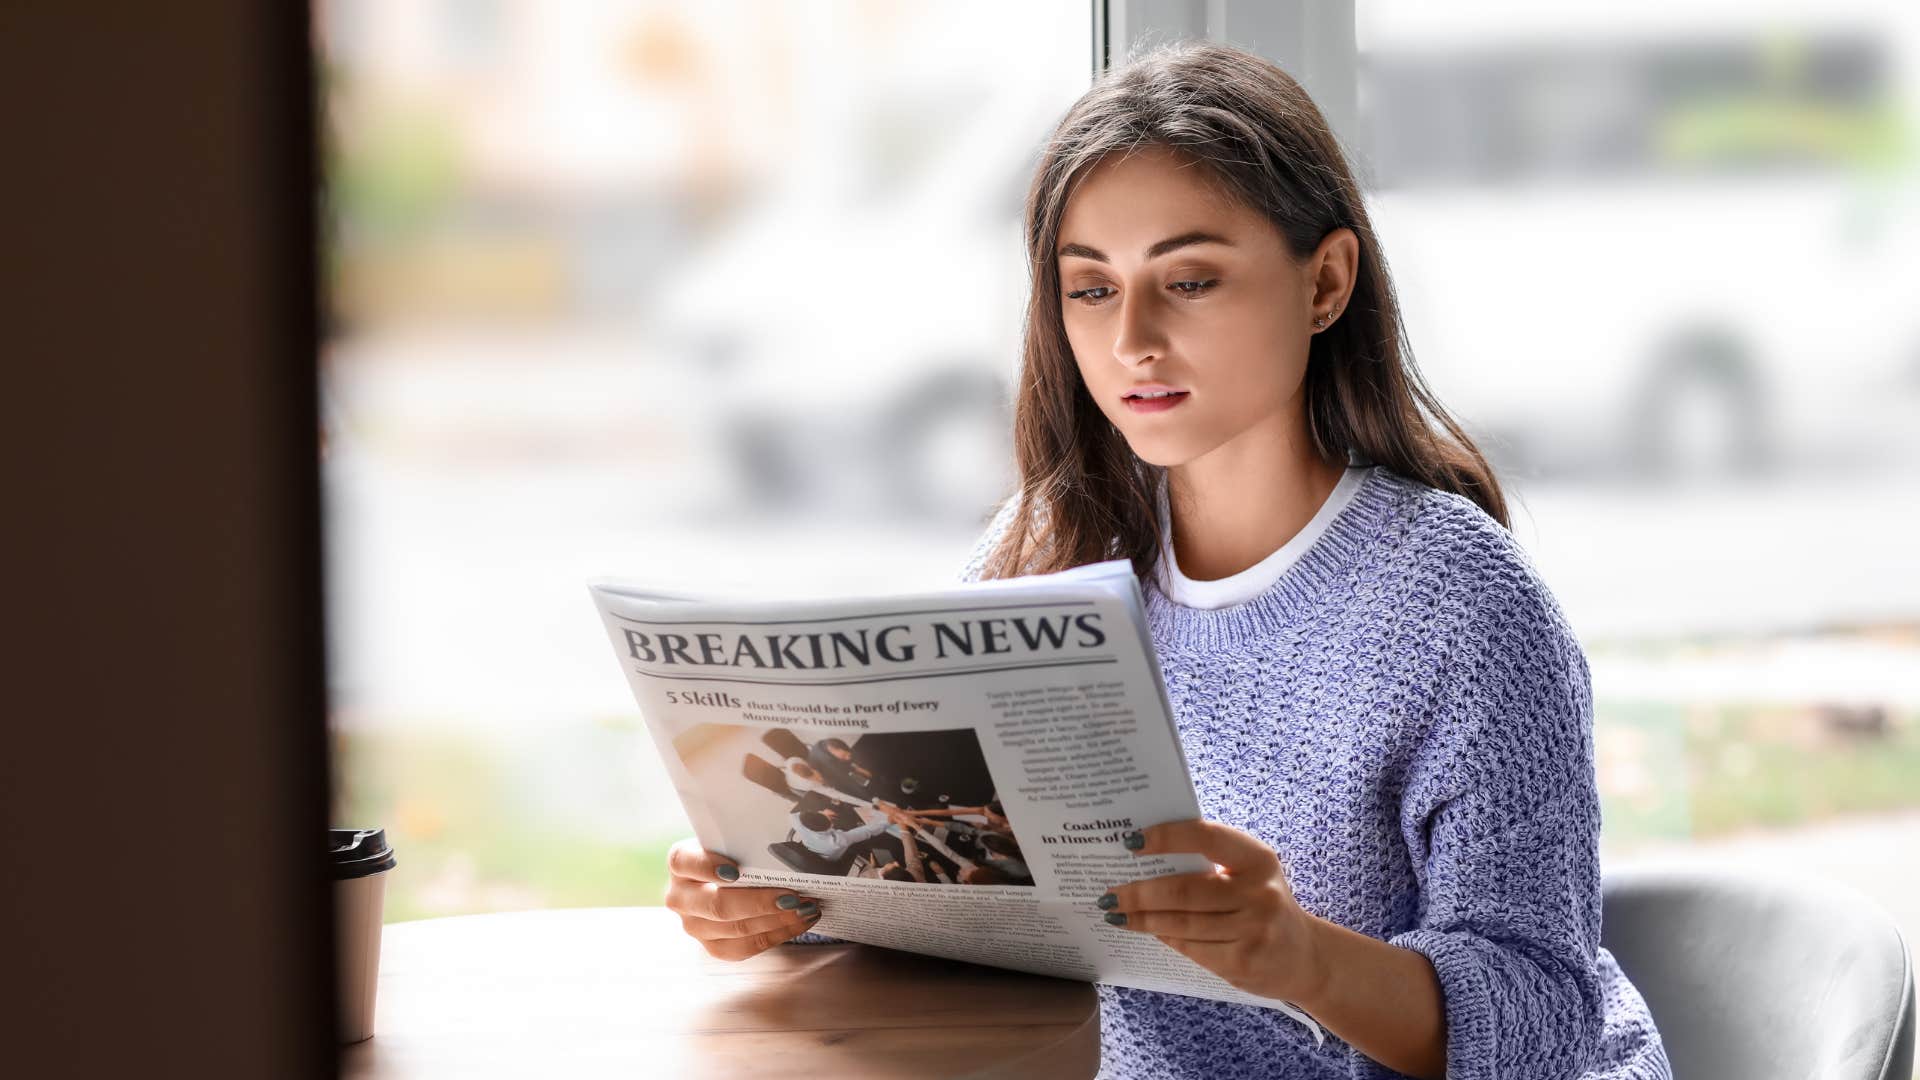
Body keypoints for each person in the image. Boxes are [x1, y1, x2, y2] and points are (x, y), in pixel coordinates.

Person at [660, 40, 1671, 1079]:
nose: (1133, 337)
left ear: (1324, 283)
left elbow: (1546, 1025)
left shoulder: (1460, 606)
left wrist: (1296, 957)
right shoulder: (1040, 551)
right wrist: (793, 900)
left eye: (1188, 280)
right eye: (1090, 290)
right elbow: (967, 905)